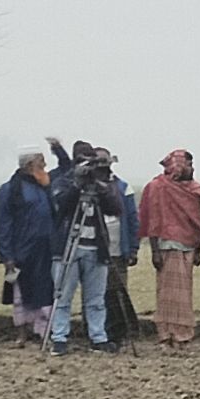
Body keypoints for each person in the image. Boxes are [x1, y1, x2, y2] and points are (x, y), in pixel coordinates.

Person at [51, 142, 138, 353]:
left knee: (96, 299)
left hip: (96, 248)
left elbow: (115, 209)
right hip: (68, 247)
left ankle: (98, 337)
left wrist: (101, 187)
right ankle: (59, 337)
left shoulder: (102, 184)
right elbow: (61, 206)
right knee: (62, 296)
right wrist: (77, 184)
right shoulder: (63, 181)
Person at [139, 150, 200, 347]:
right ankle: (167, 333)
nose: (192, 169)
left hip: (188, 246)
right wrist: (154, 251)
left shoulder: (193, 190)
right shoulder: (158, 188)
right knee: (167, 294)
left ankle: (182, 333)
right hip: (167, 245)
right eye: (188, 164)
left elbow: (196, 221)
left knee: (184, 294)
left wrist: (198, 249)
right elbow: (152, 219)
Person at [0, 147, 60, 344]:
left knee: (45, 292)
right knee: (20, 295)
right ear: (30, 165)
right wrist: (6, 256)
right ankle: (22, 333)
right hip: (22, 251)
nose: (45, 165)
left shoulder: (45, 186)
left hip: (45, 250)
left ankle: (43, 332)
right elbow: (4, 224)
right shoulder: (10, 190)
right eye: (41, 162)